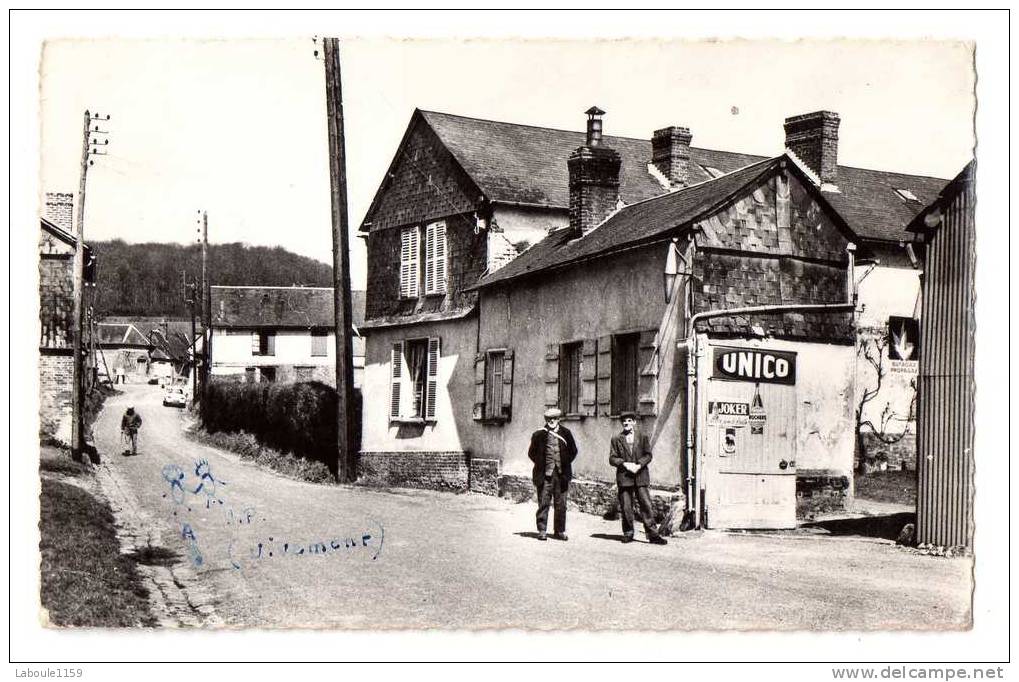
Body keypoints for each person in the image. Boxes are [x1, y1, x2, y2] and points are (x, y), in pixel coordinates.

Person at [609, 411, 668, 545]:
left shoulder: (643, 437)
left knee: (646, 505)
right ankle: (628, 533)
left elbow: (648, 455)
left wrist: (639, 465)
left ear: (634, 422)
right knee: (626, 507)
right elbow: (612, 458)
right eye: (624, 421)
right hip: (624, 477)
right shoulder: (616, 439)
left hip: (640, 476)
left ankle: (653, 535)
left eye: (629, 420)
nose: (626, 423)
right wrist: (624, 464)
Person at [527, 408, 578, 541]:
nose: (551, 421)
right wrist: (541, 464)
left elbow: (573, 451)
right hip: (545, 475)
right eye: (549, 419)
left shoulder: (566, 433)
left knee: (561, 505)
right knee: (543, 503)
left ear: (559, 420)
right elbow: (531, 453)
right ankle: (542, 530)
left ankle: (559, 531)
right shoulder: (538, 435)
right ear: (546, 420)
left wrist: (565, 463)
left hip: (562, 475)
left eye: (554, 419)